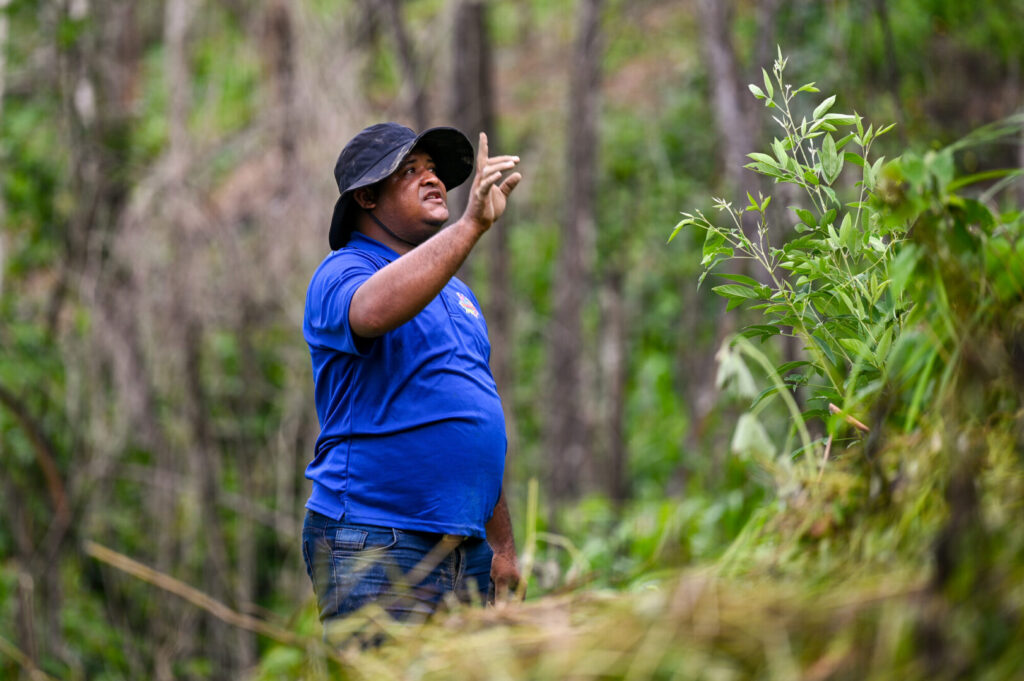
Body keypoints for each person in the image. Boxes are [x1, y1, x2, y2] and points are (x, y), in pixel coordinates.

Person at [300, 122, 523, 639]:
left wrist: (503, 547)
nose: (433, 179)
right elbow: (372, 311)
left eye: (434, 170)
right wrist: (470, 227)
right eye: (409, 171)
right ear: (367, 197)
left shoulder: (458, 294)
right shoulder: (341, 272)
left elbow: (470, 422)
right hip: (379, 539)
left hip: (467, 549)